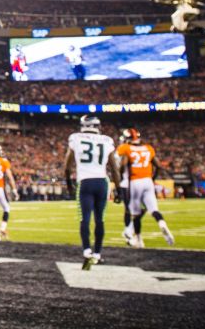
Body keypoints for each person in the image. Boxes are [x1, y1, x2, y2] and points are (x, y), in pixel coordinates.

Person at [65, 115, 120, 269]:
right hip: (102, 182)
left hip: (85, 182)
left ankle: (87, 251)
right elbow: (114, 169)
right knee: (100, 219)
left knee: (85, 218)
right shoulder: (106, 140)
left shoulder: (75, 138)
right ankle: (97, 254)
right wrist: (119, 189)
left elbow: (67, 167)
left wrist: (69, 184)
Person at [115, 128, 175, 247]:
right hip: (147, 181)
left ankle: (135, 237)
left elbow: (122, 165)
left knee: (133, 212)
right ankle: (161, 223)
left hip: (132, 182)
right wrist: (152, 179)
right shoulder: (148, 148)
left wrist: (121, 175)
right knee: (153, 209)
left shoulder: (126, 148)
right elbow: (158, 166)